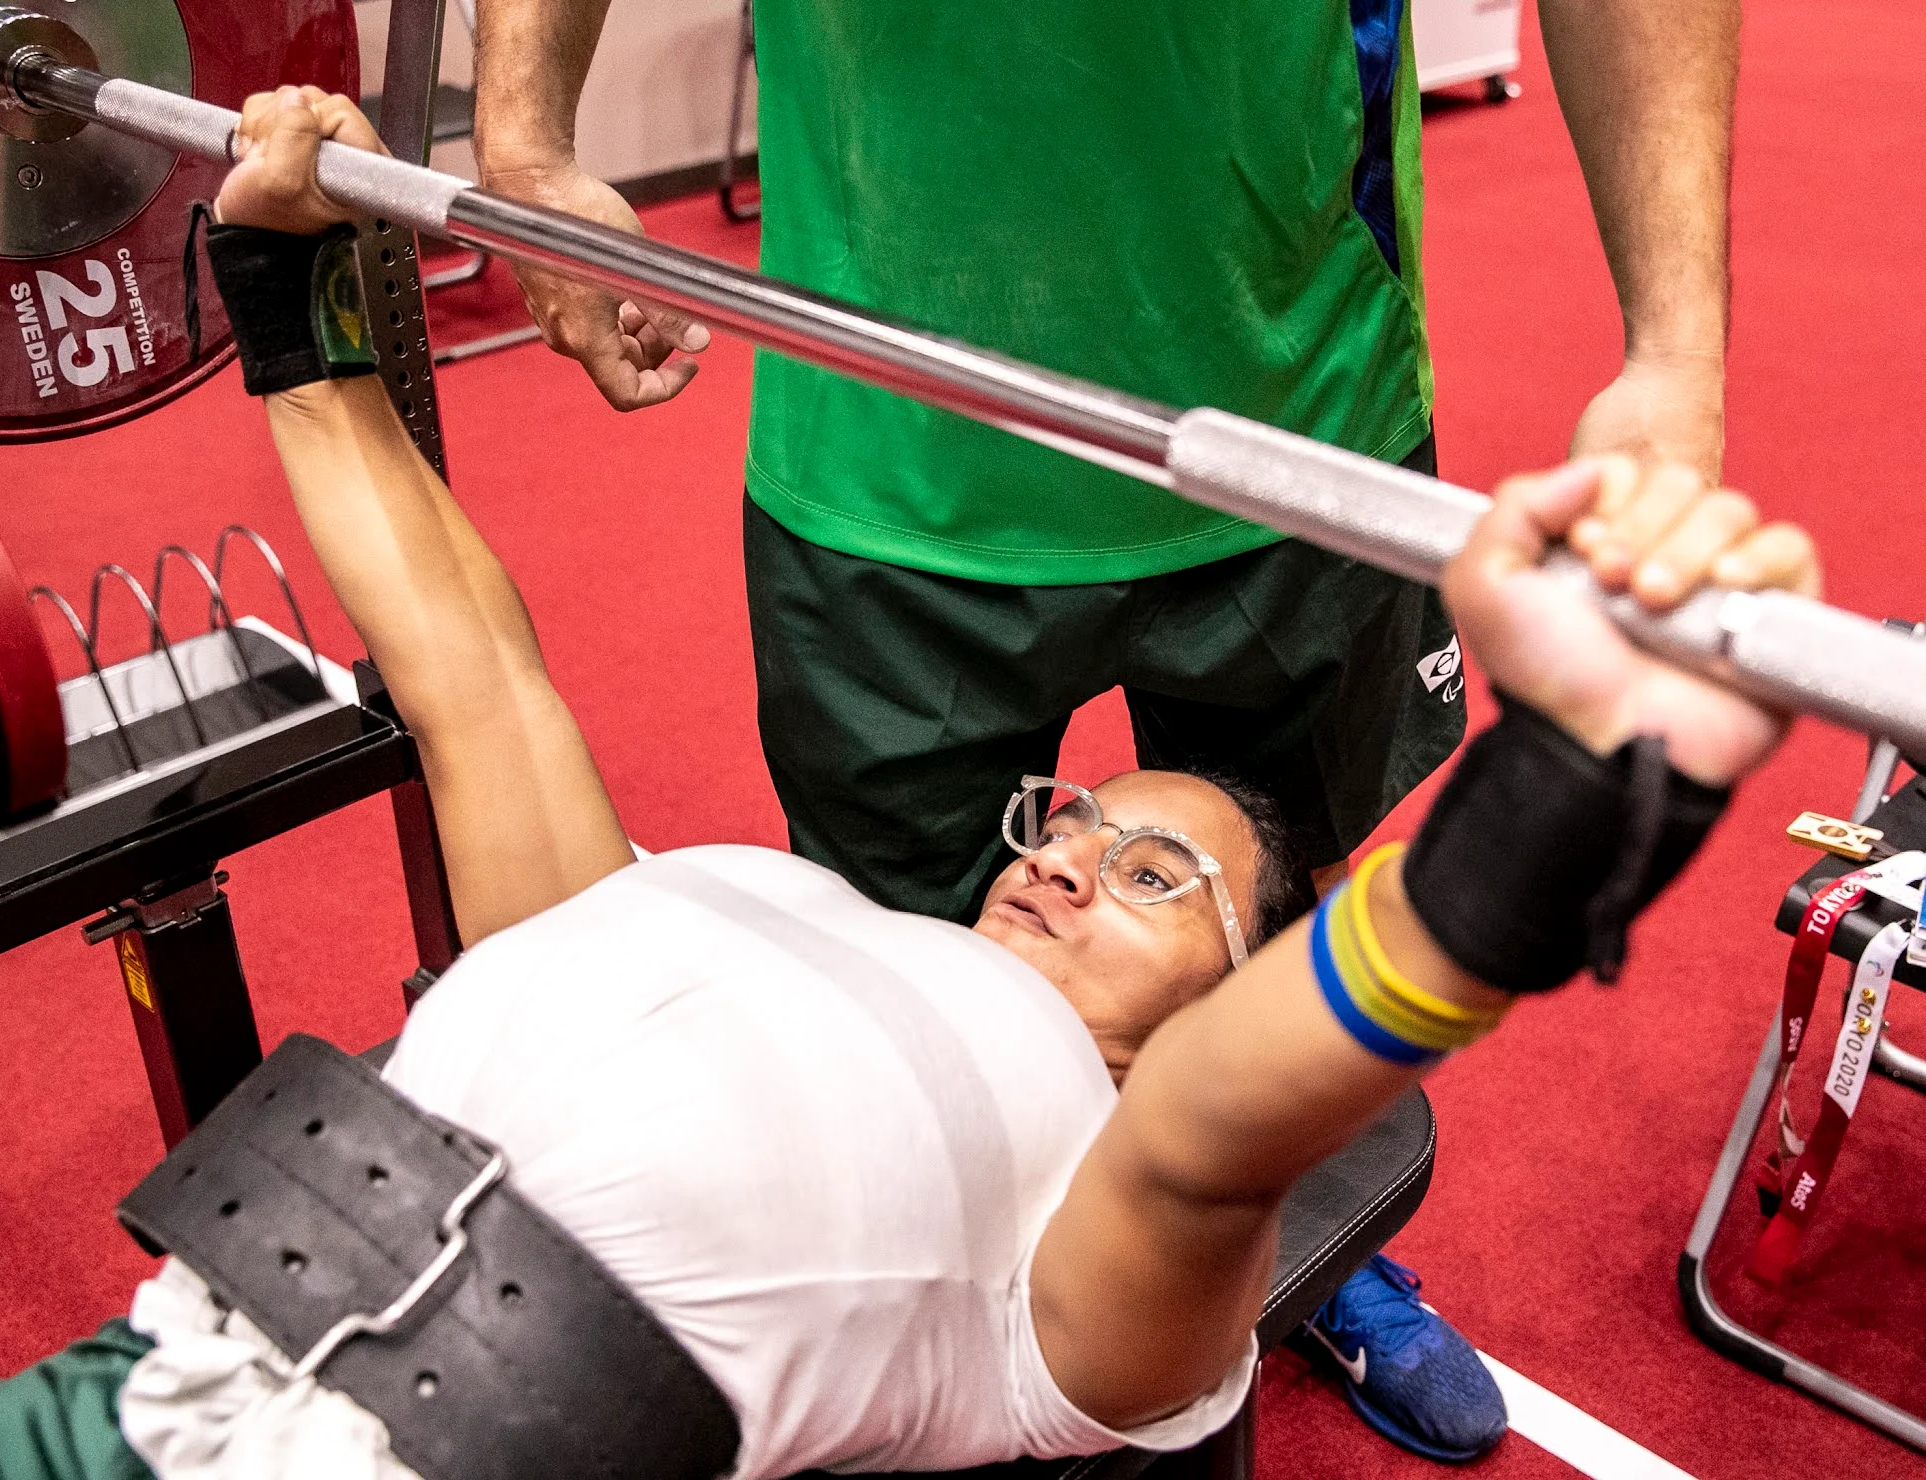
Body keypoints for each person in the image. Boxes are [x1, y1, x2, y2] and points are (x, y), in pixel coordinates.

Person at [0, 94, 1813, 1480]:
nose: (1070, 853)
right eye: (1078, 825)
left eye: (1157, 879)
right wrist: (282, 294)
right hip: (128, 1396)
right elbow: (475, 675)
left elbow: (1232, 1125)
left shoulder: (1091, 1224)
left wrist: (1558, 793)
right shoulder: (713, 898)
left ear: (1208, 1005)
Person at [472, 1, 1740, 1451]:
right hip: (889, 424)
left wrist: (1675, 347)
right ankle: (906, 1352)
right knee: (900, 980)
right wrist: (518, 137)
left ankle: (1274, 1241)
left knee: (1253, 918)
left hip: (1294, 395)